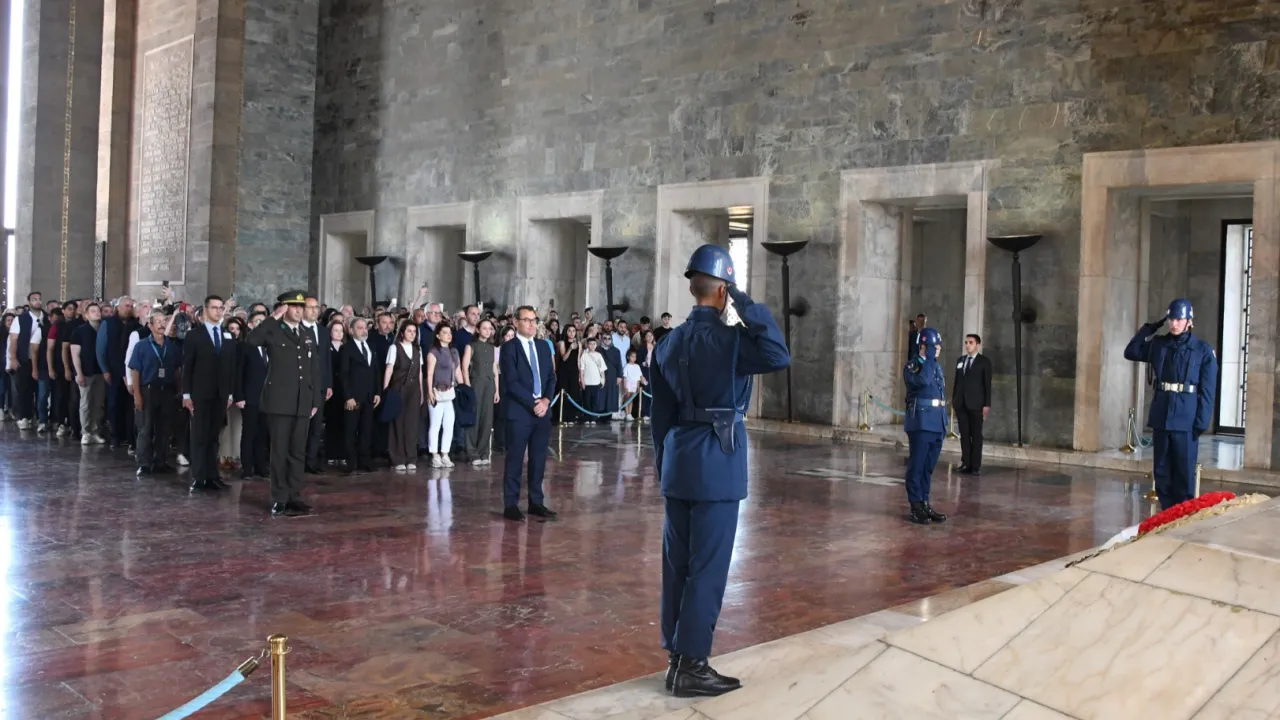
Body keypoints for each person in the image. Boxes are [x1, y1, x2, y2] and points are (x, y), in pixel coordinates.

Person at [650, 244, 790, 698]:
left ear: (693, 288)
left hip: (679, 462)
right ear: (722, 289)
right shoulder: (731, 343)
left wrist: (663, 465)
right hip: (717, 462)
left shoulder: (668, 343)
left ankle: (676, 658)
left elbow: (659, 417)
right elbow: (777, 353)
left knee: (677, 565)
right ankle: (692, 664)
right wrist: (743, 302)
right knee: (707, 568)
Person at [1123, 298, 1218, 510]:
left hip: (1186, 420)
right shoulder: (1158, 345)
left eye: (1179, 319)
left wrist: (1201, 423)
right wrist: (1150, 327)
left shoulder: (1202, 350)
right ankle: (1167, 514)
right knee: (1162, 473)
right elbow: (1130, 351)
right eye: (1171, 319)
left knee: (1183, 474)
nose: (1174, 324)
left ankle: (1183, 516)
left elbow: (1207, 391)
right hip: (1162, 417)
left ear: (1189, 321)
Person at [245, 291, 324, 517]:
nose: (299, 311)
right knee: (279, 452)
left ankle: (294, 496)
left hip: (302, 401)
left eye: (301, 307)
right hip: (279, 402)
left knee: (297, 452)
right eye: (294, 306)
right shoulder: (273, 331)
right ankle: (279, 498)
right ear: (284, 308)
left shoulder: (307, 334)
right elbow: (251, 340)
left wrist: (315, 399)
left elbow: (313, 369)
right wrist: (272, 318)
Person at [498, 305, 558, 521]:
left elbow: (551, 377)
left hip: (542, 412)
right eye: (527, 320)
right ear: (516, 322)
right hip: (520, 412)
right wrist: (534, 403)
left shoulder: (543, 346)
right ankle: (511, 504)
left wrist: (546, 400)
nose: (532, 324)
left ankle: (536, 501)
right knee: (515, 459)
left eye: (534, 320)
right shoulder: (509, 348)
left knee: (539, 458)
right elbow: (511, 382)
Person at [182, 295, 236, 493]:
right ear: (205, 310)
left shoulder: (228, 336)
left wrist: (230, 393)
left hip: (220, 394)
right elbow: (187, 367)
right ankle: (198, 477)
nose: (218, 311)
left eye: (221, 308)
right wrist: (186, 395)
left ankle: (212, 476)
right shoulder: (194, 335)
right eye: (214, 308)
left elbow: (231, 368)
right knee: (199, 436)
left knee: (214, 436)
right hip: (200, 393)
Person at [903, 327, 949, 525]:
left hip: (936, 422)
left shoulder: (935, 366)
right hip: (921, 423)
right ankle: (915, 506)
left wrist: (944, 422)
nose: (937, 350)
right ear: (924, 346)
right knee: (917, 466)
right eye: (934, 347)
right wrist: (928, 359)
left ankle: (924, 503)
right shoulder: (913, 366)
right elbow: (923, 381)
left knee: (928, 468)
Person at [129, 310, 182, 475]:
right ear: (150, 325)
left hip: (167, 390)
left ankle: (161, 460)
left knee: (164, 427)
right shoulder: (142, 345)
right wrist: (137, 395)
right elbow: (135, 371)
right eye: (157, 322)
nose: (161, 325)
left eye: (163, 321)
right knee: (145, 427)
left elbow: (177, 370)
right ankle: (144, 463)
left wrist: (179, 389)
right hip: (148, 390)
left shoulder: (171, 346)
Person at [339, 317, 380, 473]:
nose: (364, 331)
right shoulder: (347, 348)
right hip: (354, 397)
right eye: (360, 328)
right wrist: (348, 396)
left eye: (365, 328)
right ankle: (351, 463)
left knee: (366, 430)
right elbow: (343, 374)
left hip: (369, 396)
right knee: (351, 430)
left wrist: (377, 392)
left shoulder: (371, 346)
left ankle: (365, 460)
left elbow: (375, 371)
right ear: (351, 330)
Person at [383, 320, 424, 471]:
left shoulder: (418, 350)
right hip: (398, 389)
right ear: (402, 333)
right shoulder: (395, 348)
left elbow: (420, 372)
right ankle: (398, 458)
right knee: (398, 423)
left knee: (412, 424)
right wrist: (386, 390)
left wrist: (421, 392)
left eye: (414, 332)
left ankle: (411, 457)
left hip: (414, 390)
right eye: (409, 331)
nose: (412, 334)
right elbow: (389, 369)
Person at [236, 311, 271, 480]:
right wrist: (239, 396)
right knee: (249, 433)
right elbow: (238, 373)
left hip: (267, 398)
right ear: (250, 325)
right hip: (249, 397)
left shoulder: (270, 347)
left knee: (262, 433)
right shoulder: (245, 347)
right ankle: (247, 468)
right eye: (258, 321)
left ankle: (261, 466)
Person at [952, 333, 992, 475]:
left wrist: (986, 404)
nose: (967, 345)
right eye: (966, 342)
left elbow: (987, 385)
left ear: (977, 345)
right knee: (964, 435)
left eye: (970, 342)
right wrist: (954, 400)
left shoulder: (984, 362)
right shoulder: (961, 360)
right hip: (961, 403)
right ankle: (966, 463)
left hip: (976, 404)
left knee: (976, 435)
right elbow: (957, 382)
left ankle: (975, 466)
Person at [425, 324, 463, 468]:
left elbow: (457, 371)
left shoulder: (454, 351)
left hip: (449, 393)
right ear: (438, 335)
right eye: (445, 332)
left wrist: (464, 387)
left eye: (450, 332)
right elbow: (429, 373)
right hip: (437, 391)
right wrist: (429, 391)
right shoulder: (434, 352)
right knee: (435, 425)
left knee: (449, 424)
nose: (448, 335)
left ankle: (445, 453)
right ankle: (434, 454)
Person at [463, 318, 498, 466]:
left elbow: (495, 369)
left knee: (487, 418)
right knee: (474, 417)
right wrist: (467, 387)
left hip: (489, 384)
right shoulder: (471, 346)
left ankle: (483, 452)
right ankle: (472, 453)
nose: (487, 331)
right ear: (477, 330)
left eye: (490, 328)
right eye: (484, 328)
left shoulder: (492, 348)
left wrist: (497, 390)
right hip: (476, 382)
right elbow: (464, 367)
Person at [71, 303, 107, 445]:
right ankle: (85, 432)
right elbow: (75, 354)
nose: (97, 313)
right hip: (86, 371)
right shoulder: (79, 331)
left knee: (98, 403)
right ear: (86, 315)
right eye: (93, 311)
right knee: (85, 403)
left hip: (100, 371)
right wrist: (78, 373)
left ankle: (95, 430)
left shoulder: (104, 329)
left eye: (98, 311)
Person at [579, 336, 607, 423]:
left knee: (595, 401)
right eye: (590, 344)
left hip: (596, 382)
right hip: (587, 382)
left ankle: (593, 418)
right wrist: (582, 381)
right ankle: (587, 418)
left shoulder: (599, 355)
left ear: (596, 345)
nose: (592, 346)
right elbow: (581, 370)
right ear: (587, 345)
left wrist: (603, 379)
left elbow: (602, 369)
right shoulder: (584, 355)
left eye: (594, 344)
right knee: (586, 401)